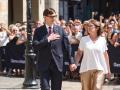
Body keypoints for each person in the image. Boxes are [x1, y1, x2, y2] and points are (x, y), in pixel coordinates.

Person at [33, 8, 77, 90]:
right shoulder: (38, 31)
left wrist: (71, 62)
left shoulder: (60, 30)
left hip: (57, 64)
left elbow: (67, 46)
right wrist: (48, 39)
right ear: (45, 17)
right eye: (51, 16)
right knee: (45, 88)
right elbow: (35, 46)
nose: (54, 18)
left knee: (56, 88)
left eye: (55, 16)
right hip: (43, 64)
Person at [75, 19, 111, 90]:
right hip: (85, 69)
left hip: (100, 69)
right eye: (87, 26)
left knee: (97, 87)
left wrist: (108, 70)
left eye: (91, 26)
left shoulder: (102, 40)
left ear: (97, 28)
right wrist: (75, 64)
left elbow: (105, 55)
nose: (88, 27)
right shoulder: (83, 39)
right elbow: (79, 53)